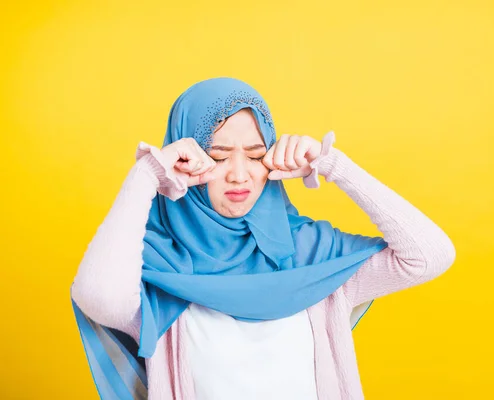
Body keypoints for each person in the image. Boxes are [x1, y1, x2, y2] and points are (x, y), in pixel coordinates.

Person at [71, 77, 456, 400]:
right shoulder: (161, 271)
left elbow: (429, 256)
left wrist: (335, 166)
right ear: (185, 158)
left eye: (255, 155)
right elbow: (98, 297)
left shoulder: (314, 256)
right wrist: (146, 177)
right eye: (219, 157)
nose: (240, 175)